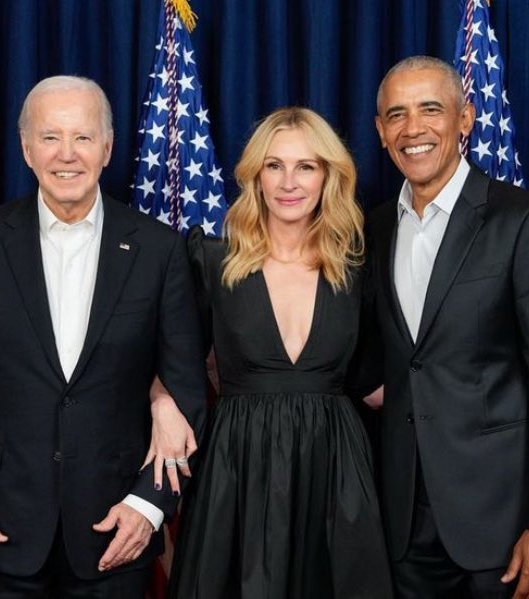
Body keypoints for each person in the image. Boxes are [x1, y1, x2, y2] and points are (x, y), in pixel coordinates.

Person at [0, 75, 208, 598]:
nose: (67, 154)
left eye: (83, 137)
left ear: (108, 147)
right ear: (27, 149)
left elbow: (187, 389)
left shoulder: (160, 250)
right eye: (51, 137)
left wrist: (147, 506)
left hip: (116, 533)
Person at [367, 55, 529, 599]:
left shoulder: (525, 221)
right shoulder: (369, 229)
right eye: (396, 114)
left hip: (505, 524)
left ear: (464, 119)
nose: (413, 129)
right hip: (402, 522)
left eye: (430, 110)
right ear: (380, 131)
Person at [163, 106, 392, 598]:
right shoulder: (211, 259)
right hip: (236, 470)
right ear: (256, 176)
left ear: (328, 175)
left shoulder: (357, 267)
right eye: (275, 165)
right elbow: (167, 358)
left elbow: (376, 383)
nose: (290, 182)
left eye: (306, 166)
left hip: (335, 470)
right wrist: (162, 402)